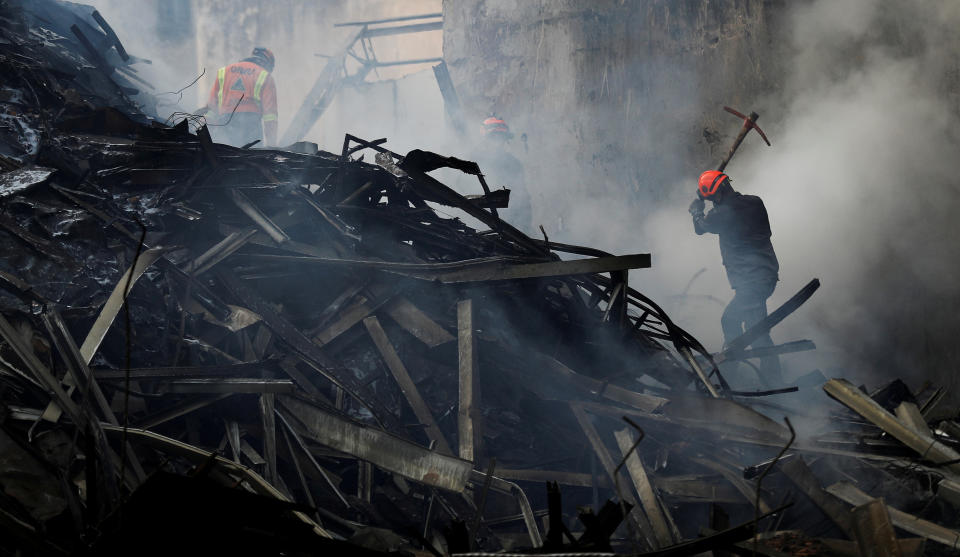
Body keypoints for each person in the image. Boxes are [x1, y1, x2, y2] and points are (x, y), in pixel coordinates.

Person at [688, 170, 783, 386]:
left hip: (751, 281)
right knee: (756, 329)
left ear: (717, 195)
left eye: (712, 198)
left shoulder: (721, 214)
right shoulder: (755, 202)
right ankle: (765, 376)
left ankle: (734, 374)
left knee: (733, 322)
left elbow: (700, 229)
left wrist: (696, 210)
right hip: (766, 275)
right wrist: (708, 198)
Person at [205, 47, 278, 147]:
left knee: (225, 158)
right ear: (268, 64)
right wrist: (272, 147)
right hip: (250, 126)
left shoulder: (224, 71)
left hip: (224, 124)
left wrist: (207, 138)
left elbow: (211, 109)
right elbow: (270, 117)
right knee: (251, 160)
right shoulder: (265, 76)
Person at [474, 116, 532, 234]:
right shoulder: (473, 162)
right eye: (494, 137)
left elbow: (523, 198)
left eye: (501, 138)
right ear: (485, 138)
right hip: (480, 224)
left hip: (509, 224)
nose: (498, 142)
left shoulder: (514, 164)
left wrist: (524, 227)